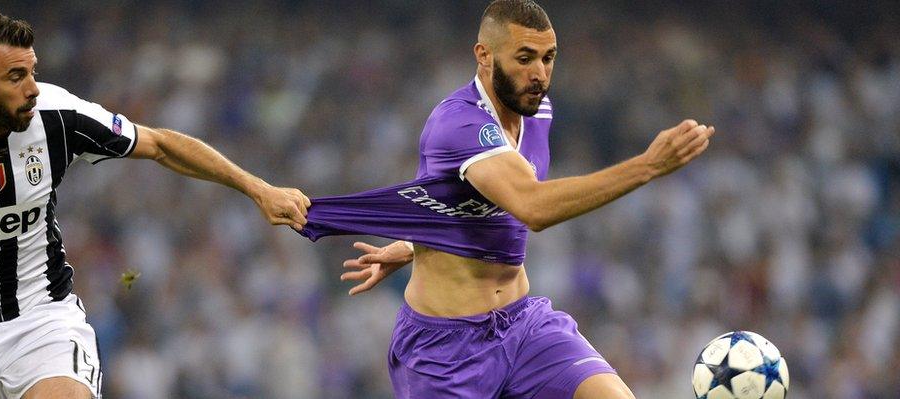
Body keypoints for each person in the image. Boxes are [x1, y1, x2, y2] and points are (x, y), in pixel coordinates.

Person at [298, 1, 714, 398]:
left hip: (523, 325)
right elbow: (532, 206)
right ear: (484, 55)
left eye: (548, 58)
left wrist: (413, 244)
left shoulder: (538, 111)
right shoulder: (457, 122)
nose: (540, 73)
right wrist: (648, 166)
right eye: (525, 57)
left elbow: (477, 203)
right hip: (444, 349)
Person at [0, 11, 310, 399]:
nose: (32, 89)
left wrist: (258, 189)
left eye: (32, 72)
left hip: (37, 319)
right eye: (15, 77)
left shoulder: (58, 116)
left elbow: (160, 145)